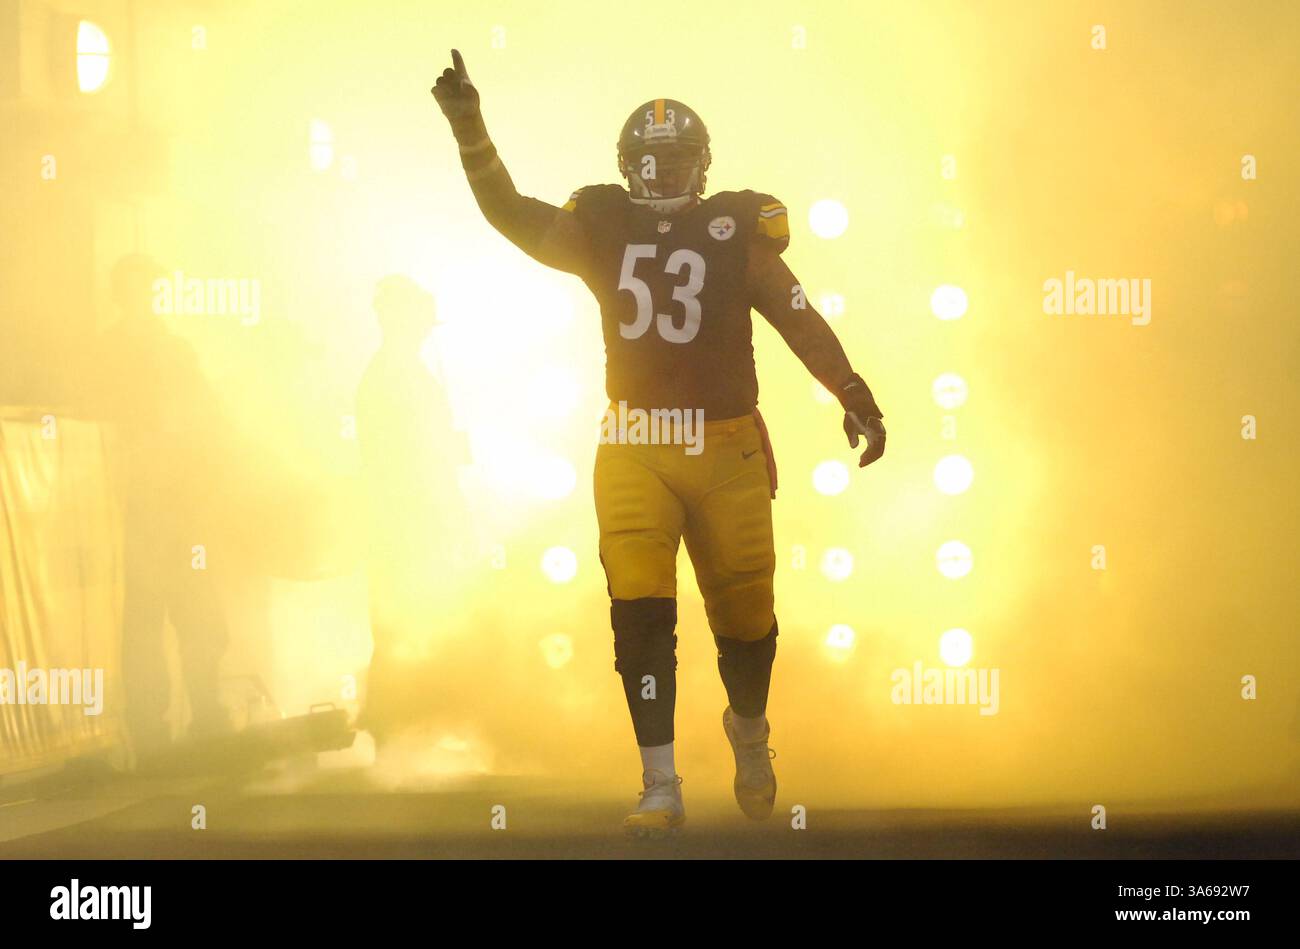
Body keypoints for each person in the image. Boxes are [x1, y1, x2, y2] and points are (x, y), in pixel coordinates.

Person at [432, 51, 886, 836]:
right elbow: (508, 210)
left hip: (728, 444)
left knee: (747, 615)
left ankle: (749, 728)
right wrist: (469, 125)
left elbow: (795, 312)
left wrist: (852, 389)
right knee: (639, 611)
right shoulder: (599, 226)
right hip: (636, 440)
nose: (661, 171)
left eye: (675, 159)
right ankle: (659, 779)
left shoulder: (735, 230)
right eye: (649, 159)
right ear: (625, 167)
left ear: (703, 166)